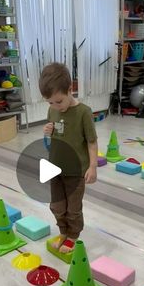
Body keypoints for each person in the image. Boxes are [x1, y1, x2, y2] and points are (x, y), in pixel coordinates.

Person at [39, 62, 98, 253]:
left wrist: (93, 167)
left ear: (70, 89)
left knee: (73, 209)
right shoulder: (53, 109)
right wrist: (48, 130)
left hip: (75, 171)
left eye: (59, 101)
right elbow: (54, 132)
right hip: (55, 168)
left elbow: (91, 141)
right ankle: (63, 231)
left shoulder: (83, 112)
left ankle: (73, 235)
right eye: (50, 103)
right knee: (57, 206)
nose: (56, 106)